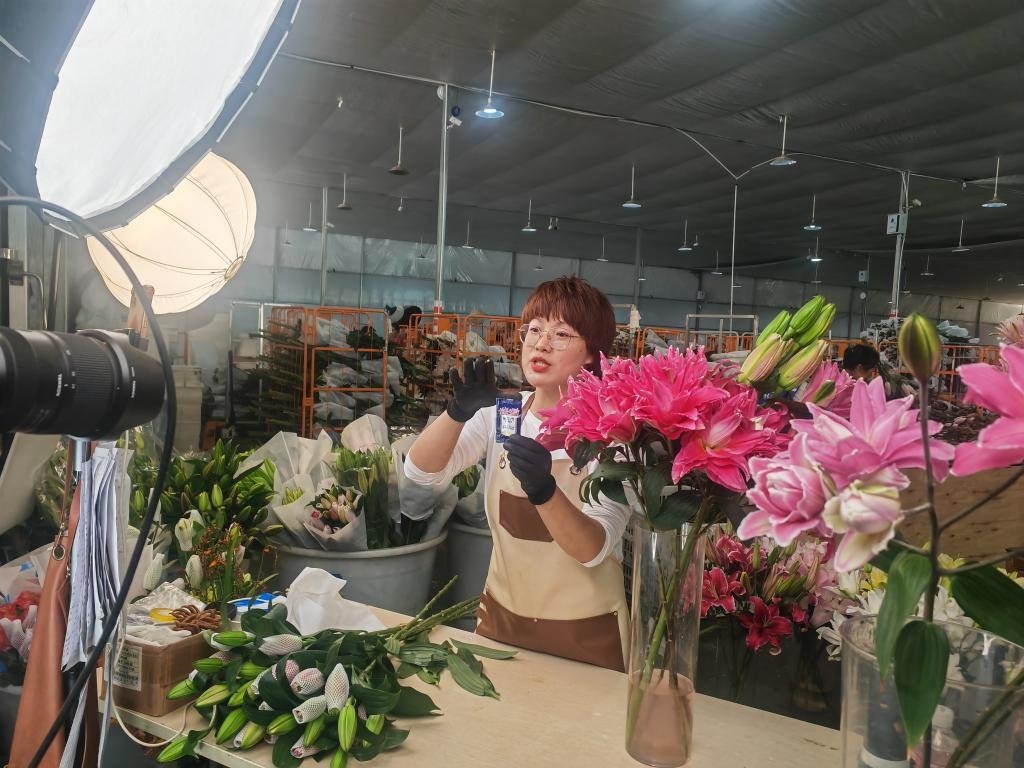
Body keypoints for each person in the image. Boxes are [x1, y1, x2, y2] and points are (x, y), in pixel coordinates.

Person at [404, 277, 629, 671]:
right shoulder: (503, 417)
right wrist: (457, 413)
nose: (542, 344)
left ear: (592, 355)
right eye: (535, 330)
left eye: (562, 334)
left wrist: (546, 492)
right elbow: (420, 473)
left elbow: (594, 550)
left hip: (588, 634)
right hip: (502, 624)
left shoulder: (613, 435)